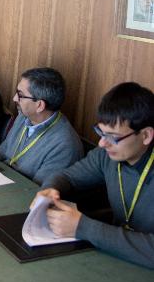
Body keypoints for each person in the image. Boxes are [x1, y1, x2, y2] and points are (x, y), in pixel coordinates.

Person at [36, 82, 154, 269]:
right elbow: (67, 177)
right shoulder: (106, 156)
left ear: (146, 135)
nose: (102, 143)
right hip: (116, 259)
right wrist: (49, 189)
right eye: (100, 132)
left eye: (113, 137)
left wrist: (83, 227)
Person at [0, 67, 83, 183]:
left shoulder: (64, 145)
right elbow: (0, 154)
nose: (14, 98)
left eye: (20, 95)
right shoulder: (23, 116)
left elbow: (37, 190)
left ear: (40, 106)